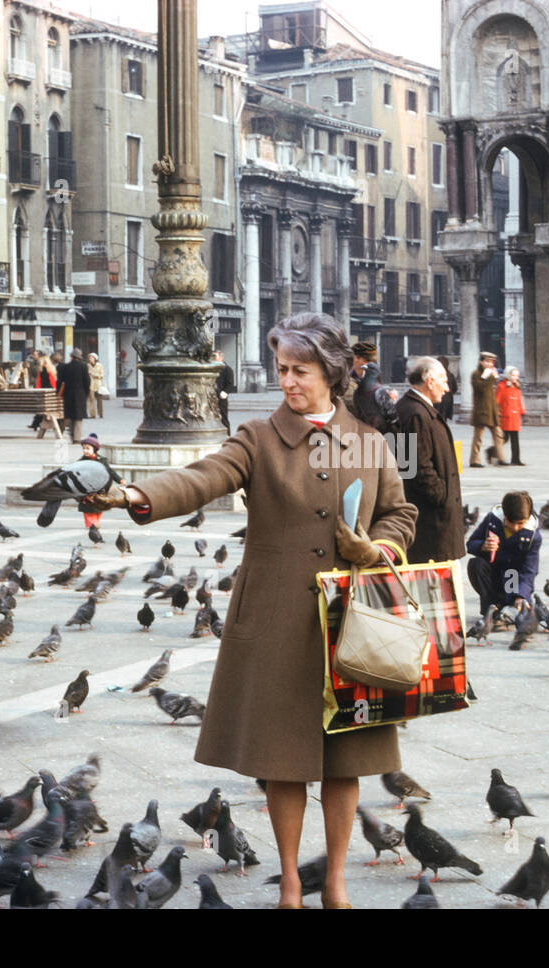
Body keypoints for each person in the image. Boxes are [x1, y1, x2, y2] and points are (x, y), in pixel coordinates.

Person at [84, 311, 416, 909]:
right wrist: (135, 494)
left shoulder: (369, 441)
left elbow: (400, 513)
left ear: (332, 373)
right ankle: (291, 880)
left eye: (301, 370)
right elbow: (203, 477)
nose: (288, 381)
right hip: (278, 623)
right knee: (283, 761)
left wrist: (379, 546)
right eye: (283, 369)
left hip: (352, 627)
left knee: (346, 762)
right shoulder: (258, 439)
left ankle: (335, 881)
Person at [394, 356, 464, 564]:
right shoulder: (416, 414)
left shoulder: (414, 409)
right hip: (431, 519)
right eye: (443, 380)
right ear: (430, 381)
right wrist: (440, 495)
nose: (447, 388)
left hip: (432, 516)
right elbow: (414, 466)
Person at [465, 492, 541, 616]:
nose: (516, 527)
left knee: (515, 607)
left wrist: (521, 595)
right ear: (504, 515)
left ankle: (511, 603)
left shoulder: (533, 537)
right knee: (476, 564)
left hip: (514, 578)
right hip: (494, 574)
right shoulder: (492, 520)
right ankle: (491, 608)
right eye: (511, 522)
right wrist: (482, 546)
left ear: (527, 519)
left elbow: (529, 570)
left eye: (520, 523)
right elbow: (471, 544)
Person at [74, 434, 122, 530]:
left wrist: (119, 479)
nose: (85, 451)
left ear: (94, 449)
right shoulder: (80, 462)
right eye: (84, 448)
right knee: (88, 508)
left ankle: (95, 524)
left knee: (98, 508)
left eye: (88, 448)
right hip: (87, 489)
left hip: (100, 488)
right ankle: (92, 525)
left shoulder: (102, 461)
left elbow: (109, 471)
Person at [469, 351, 505, 467]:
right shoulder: (476, 374)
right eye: (487, 361)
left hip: (492, 409)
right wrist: (489, 377)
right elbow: (481, 388)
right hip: (481, 409)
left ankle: (500, 457)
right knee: (478, 436)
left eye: (492, 362)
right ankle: (475, 460)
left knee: (499, 435)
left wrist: (491, 376)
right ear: (481, 362)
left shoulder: (490, 374)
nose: (490, 364)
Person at [58, 347, 91, 444]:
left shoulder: (66, 367)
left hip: (68, 394)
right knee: (78, 416)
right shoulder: (83, 366)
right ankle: (77, 438)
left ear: (71, 357)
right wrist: (86, 392)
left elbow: (61, 381)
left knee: (69, 415)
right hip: (80, 394)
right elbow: (87, 381)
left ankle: (70, 434)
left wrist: (60, 392)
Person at [496, 366, 526, 466]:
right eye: (513, 375)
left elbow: (519, 401)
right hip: (506, 415)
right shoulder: (502, 386)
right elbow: (497, 400)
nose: (515, 377)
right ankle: (493, 451)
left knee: (515, 439)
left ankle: (516, 459)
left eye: (517, 375)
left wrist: (522, 412)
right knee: (505, 438)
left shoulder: (517, 386)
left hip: (515, 416)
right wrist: (498, 413)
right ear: (508, 375)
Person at [214, 349, 236, 433]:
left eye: (215, 356)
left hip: (221, 397)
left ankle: (227, 436)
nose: (213, 359)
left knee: (223, 417)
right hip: (212, 397)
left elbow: (230, 384)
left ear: (221, 357)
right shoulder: (212, 368)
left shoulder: (227, 369)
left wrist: (225, 392)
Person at [86, 352, 107, 419]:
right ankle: (92, 414)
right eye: (89, 357)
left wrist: (95, 375)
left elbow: (102, 374)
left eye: (92, 357)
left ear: (95, 358)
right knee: (91, 399)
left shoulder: (99, 365)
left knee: (99, 400)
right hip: (91, 384)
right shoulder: (87, 365)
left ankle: (100, 413)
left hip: (98, 384)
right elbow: (87, 374)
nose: (90, 359)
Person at [435, 355, 456, 423]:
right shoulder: (450, 375)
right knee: (444, 418)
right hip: (448, 399)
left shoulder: (434, 375)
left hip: (437, 399)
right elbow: (455, 388)